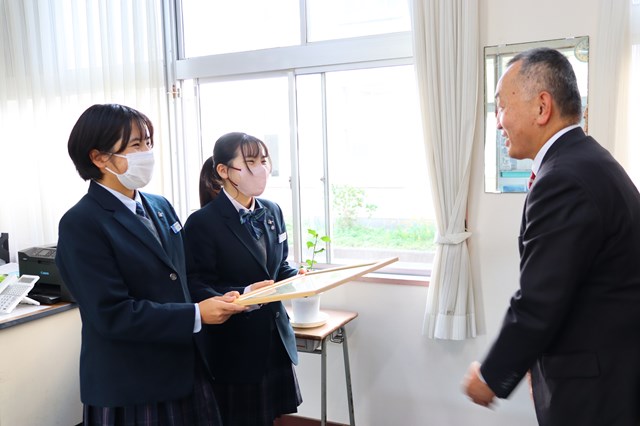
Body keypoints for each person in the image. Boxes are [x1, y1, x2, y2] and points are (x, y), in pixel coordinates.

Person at [55, 104, 269, 426]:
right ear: (99, 158)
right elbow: (112, 314)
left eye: (148, 142)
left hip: (185, 365)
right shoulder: (82, 222)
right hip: (134, 381)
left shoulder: (160, 205)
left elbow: (183, 279)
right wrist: (196, 314)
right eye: (135, 145)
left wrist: (239, 295)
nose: (147, 152)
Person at [463, 48, 640, 425]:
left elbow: (540, 300)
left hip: (597, 390)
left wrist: (491, 377)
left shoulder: (563, 179)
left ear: (542, 107)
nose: (498, 122)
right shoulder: (589, 160)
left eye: (502, 106)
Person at [184, 132, 302, 426]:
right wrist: (246, 293)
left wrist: (299, 278)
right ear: (224, 171)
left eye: (263, 161)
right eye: (250, 162)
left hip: (274, 336)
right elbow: (197, 284)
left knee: (269, 418)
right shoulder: (202, 222)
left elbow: (279, 266)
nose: (260, 169)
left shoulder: (272, 210)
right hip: (235, 344)